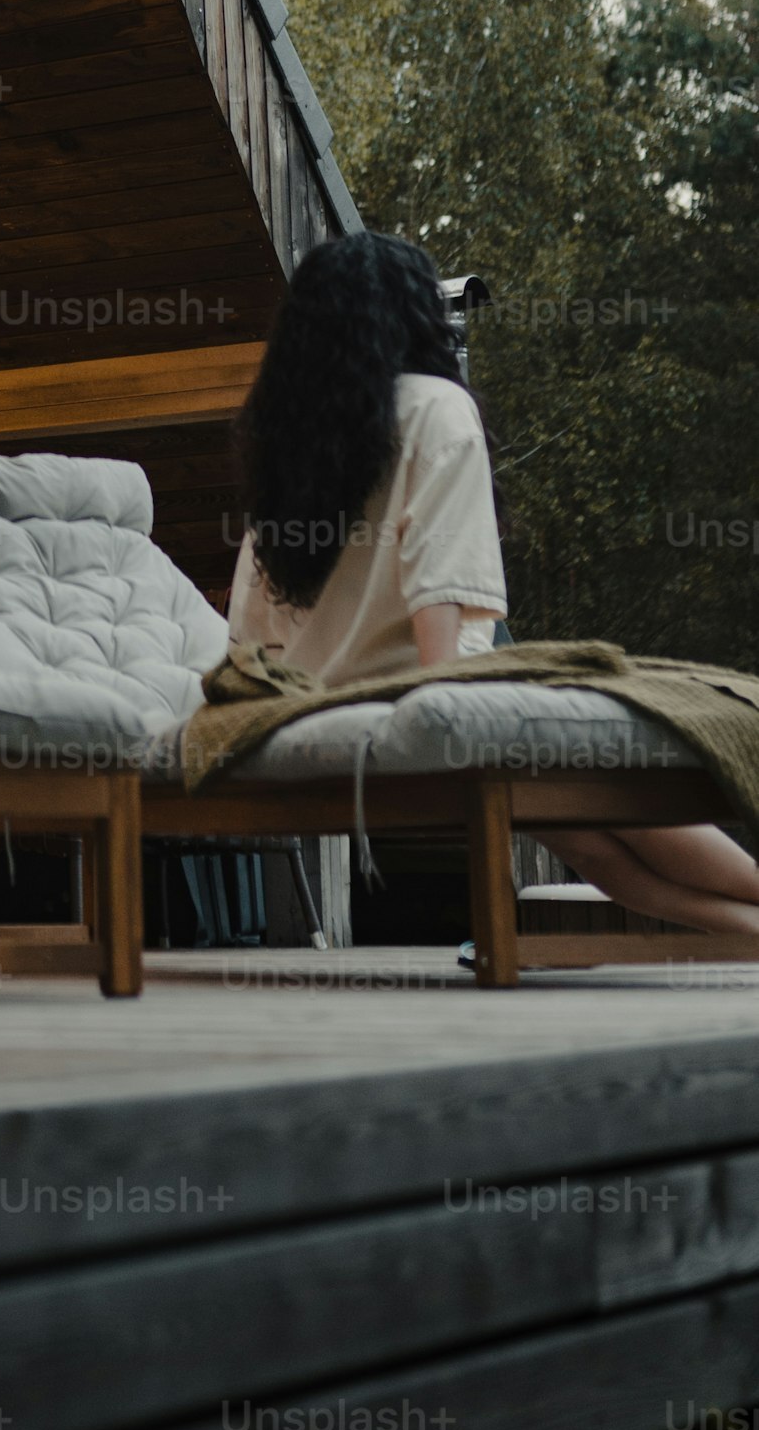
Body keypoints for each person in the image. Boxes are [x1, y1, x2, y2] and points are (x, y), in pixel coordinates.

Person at [230, 230, 759, 940]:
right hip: (426, 695)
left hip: (316, 701)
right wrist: (451, 714)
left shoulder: (287, 435)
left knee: (592, 842)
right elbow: (438, 589)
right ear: (414, 316)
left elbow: (251, 628)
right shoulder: (435, 408)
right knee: (617, 796)